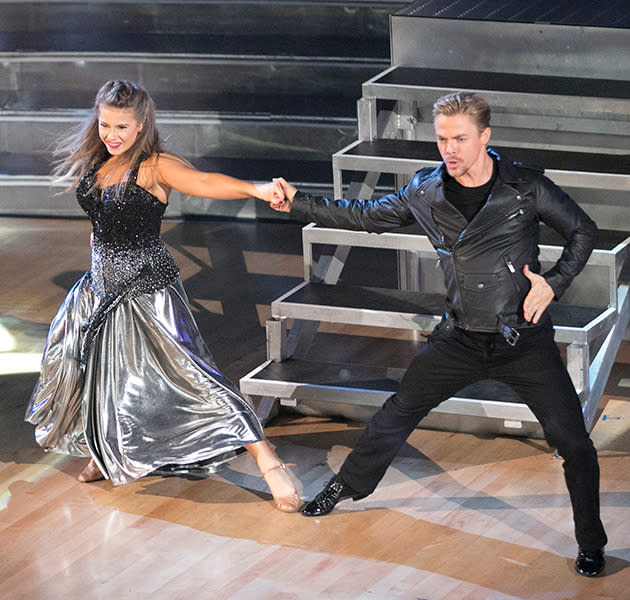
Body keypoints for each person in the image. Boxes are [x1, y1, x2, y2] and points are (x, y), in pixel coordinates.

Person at [269, 92, 608, 573]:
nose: (450, 149)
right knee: (398, 410)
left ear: (485, 138)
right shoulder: (425, 191)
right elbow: (364, 217)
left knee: (573, 441)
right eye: (442, 139)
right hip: (461, 336)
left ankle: (591, 542)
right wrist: (298, 203)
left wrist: (553, 284)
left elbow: (584, 230)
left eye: (461, 139)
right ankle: (347, 486)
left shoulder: (525, 187)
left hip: (521, 338)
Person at [25, 79, 301, 513]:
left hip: (146, 290)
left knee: (192, 377)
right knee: (97, 373)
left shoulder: (155, 166)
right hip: (99, 288)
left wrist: (257, 190)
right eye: (104, 125)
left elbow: (205, 182)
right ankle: (107, 451)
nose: (111, 135)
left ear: (141, 126)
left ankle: (267, 460)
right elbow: (102, 228)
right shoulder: (101, 161)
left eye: (121, 126)